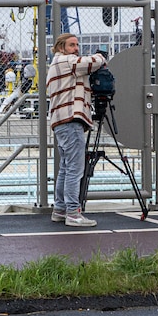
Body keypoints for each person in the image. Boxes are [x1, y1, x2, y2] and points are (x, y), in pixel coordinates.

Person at [45, 32, 105, 227]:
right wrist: (101, 57)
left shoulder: (58, 63)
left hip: (61, 121)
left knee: (65, 167)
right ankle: (73, 212)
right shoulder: (66, 61)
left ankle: (60, 209)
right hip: (70, 119)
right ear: (61, 47)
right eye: (72, 45)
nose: (76, 48)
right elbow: (89, 63)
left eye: (77, 45)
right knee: (75, 169)